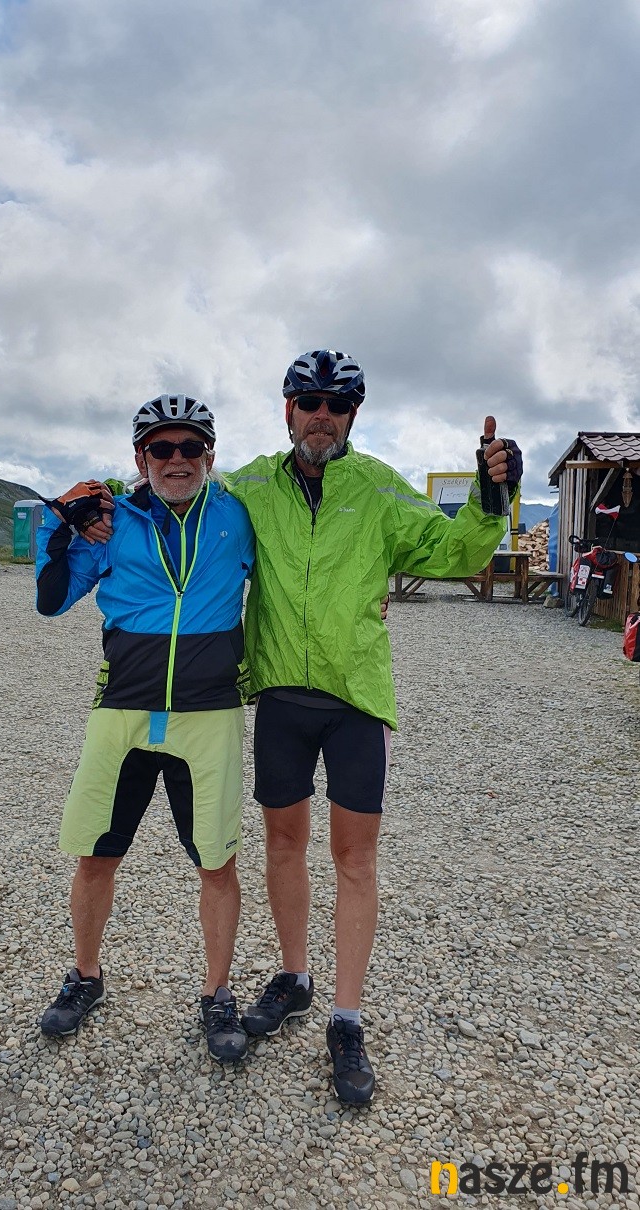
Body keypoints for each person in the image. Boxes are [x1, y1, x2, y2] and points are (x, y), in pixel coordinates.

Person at [83, 351, 522, 1104]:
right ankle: (295, 977)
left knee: (354, 858)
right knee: (283, 847)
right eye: (309, 401)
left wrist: (490, 497)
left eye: (338, 404)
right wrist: (106, 507)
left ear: (354, 414)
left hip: (356, 700)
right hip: (283, 700)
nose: (323, 415)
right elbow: (179, 491)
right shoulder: (251, 484)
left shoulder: (379, 487)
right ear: (288, 410)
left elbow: (454, 552)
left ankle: (347, 1020)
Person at [34, 394, 255, 1063]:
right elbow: (51, 601)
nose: (177, 460)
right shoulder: (112, 522)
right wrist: (60, 528)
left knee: (216, 861)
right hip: (124, 711)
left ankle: (217, 994)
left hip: (209, 713)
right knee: (96, 854)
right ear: (141, 457)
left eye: (190, 447)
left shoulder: (240, 515)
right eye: (162, 448)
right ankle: (85, 976)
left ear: (210, 455)